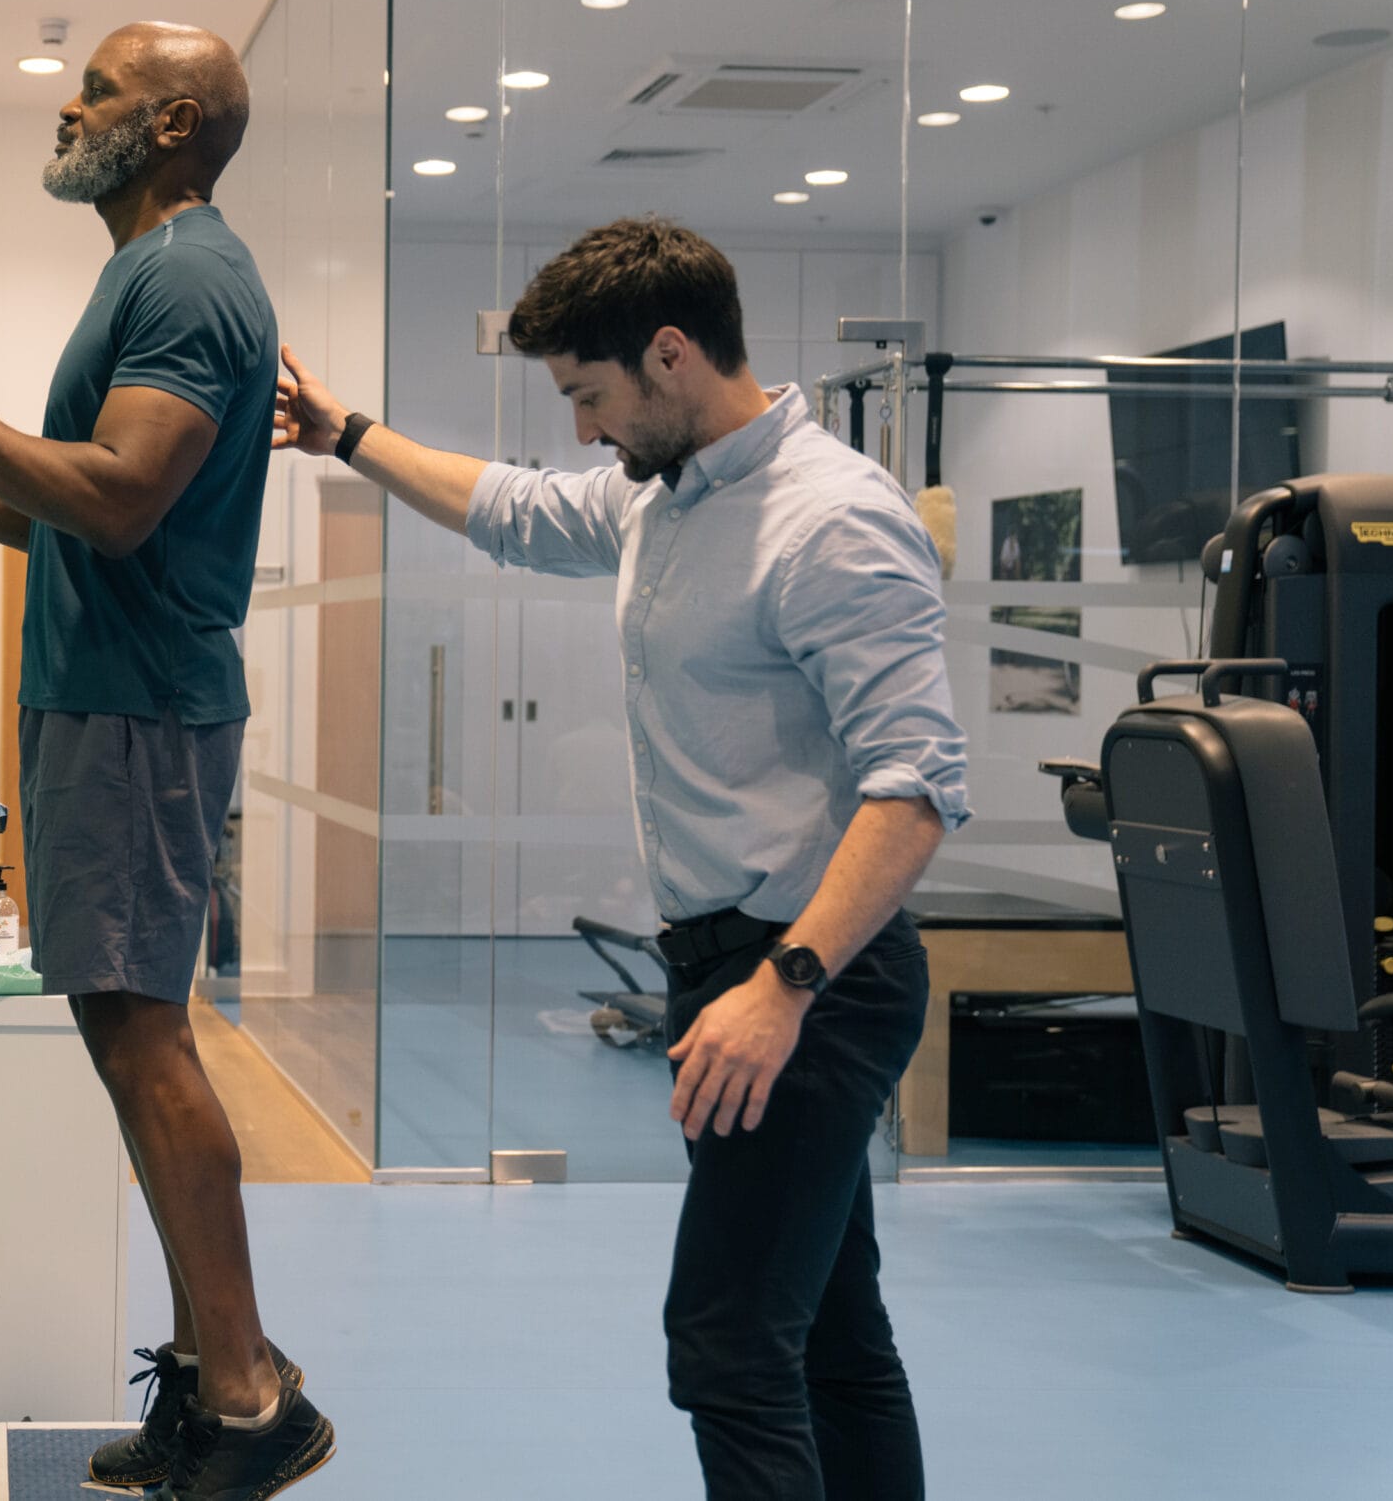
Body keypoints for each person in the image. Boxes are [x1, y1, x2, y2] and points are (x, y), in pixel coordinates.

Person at [273, 216, 967, 1501]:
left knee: (727, 1350)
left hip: (806, 980)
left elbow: (914, 788)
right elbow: (512, 509)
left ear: (669, 355)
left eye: (590, 397)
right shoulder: (670, 499)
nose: (584, 431)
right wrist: (347, 436)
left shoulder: (830, 521)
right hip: (732, 969)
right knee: (827, 1338)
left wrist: (783, 987)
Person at [0, 23, 333, 1501]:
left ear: (173, 122)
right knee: (129, 1032)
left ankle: (249, 1396)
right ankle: (210, 1379)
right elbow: (62, 515)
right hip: (97, 692)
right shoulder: (142, 269)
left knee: (143, 1032)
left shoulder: (186, 274)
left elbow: (119, 499)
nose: (72, 102)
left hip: (138, 704)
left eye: (101, 88)